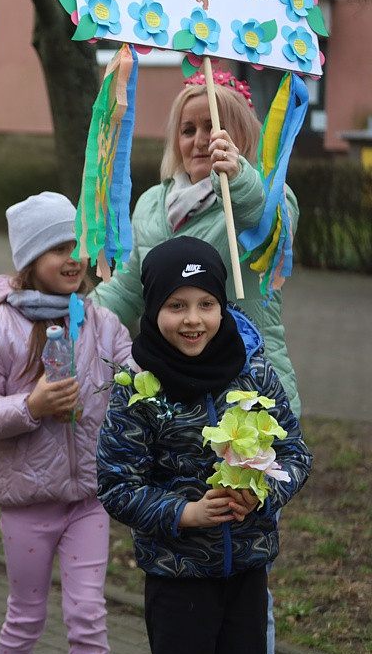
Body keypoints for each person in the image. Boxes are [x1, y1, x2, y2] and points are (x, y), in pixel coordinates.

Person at [96, 237, 311, 654]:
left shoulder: (254, 373)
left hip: (249, 569)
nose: (193, 320)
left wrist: (263, 494)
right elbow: (116, 485)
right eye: (176, 306)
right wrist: (185, 513)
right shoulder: (138, 389)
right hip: (177, 579)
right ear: (153, 307)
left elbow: (296, 455)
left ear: (223, 306)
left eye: (206, 304)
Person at [0, 193, 132, 654]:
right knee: (26, 616)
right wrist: (30, 407)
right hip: (27, 504)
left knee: (88, 615)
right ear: (30, 259)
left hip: (89, 501)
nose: (74, 257)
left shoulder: (104, 324)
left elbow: (133, 391)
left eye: (79, 243)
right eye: (58, 248)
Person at [91, 70, 299, 416]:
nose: (200, 140)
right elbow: (128, 289)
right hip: (170, 387)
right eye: (188, 130)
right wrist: (76, 317)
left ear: (242, 135)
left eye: (212, 127)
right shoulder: (151, 203)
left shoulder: (269, 193)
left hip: (249, 386)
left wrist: (237, 179)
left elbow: (265, 223)